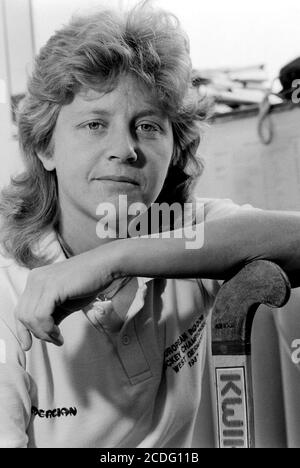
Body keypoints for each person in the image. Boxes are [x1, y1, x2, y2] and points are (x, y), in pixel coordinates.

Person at [0, 1, 300, 449]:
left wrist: (114, 259)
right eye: (95, 124)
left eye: (147, 126)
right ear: (45, 148)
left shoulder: (183, 233)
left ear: (175, 149)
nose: (125, 148)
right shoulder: (6, 289)